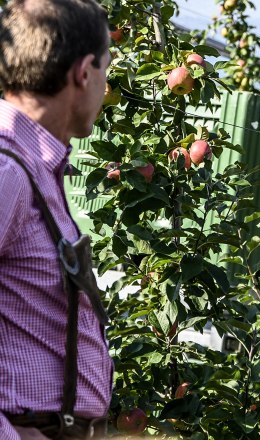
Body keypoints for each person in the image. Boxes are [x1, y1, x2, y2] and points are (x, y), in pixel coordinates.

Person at [0, 0, 113, 439]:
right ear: (84, 72)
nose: (105, 85)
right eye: (106, 68)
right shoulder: (7, 169)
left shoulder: (32, 165)